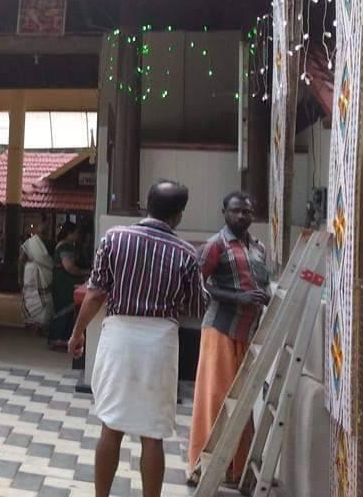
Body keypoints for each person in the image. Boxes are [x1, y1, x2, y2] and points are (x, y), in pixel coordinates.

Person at [69, 180, 208, 497]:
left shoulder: (114, 238)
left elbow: (95, 295)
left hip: (119, 336)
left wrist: (77, 333)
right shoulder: (186, 253)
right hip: (159, 343)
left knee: (111, 425)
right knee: (152, 433)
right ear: (178, 216)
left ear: (147, 204)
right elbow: (197, 305)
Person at [187, 191, 270, 486]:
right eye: (236, 211)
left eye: (247, 212)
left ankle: (235, 469)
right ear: (224, 211)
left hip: (249, 333)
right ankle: (201, 467)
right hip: (220, 329)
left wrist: (265, 296)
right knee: (215, 400)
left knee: (242, 404)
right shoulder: (215, 245)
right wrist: (238, 296)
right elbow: (198, 286)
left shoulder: (259, 247)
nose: (242, 217)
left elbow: (262, 284)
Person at [47, 222, 91, 349]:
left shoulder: (62, 245)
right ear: (69, 233)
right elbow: (69, 267)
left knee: (63, 309)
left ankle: (58, 338)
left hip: (61, 281)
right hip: (65, 283)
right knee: (65, 309)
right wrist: (85, 272)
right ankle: (59, 338)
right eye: (76, 233)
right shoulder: (66, 247)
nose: (77, 236)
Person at [20, 223, 54, 331]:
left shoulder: (44, 243)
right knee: (33, 296)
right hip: (32, 273)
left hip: (35, 272)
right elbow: (21, 259)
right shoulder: (31, 243)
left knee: (43, 297)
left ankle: (37, 323)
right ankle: (33, 322)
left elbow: (21, 260)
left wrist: (20, 276)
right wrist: (19, 277)